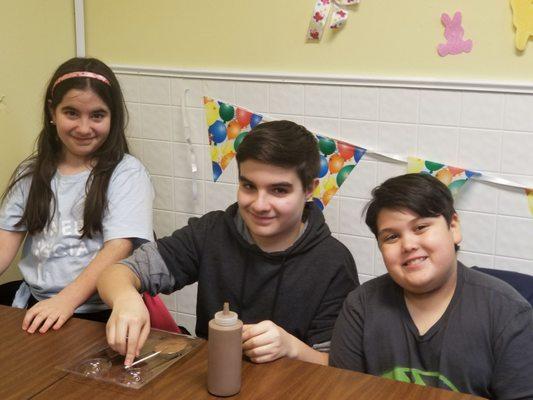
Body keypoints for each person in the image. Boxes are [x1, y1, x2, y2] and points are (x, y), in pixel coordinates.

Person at [97, 120, 358, 367]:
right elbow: (116, 273)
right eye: (248, 186)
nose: (259, 204)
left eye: (279, 190)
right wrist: (125, 299)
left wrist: (292, 348)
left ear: (310, 189)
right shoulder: (212, 231)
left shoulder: (333, 262)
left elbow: (339, 367)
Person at [329, 173, 533, 399]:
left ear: (453, 227)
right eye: (392, 237)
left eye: (420, 228)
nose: (408, 245)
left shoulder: (508, 312)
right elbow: (342, 392)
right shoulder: (361, 307)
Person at [0, 57, 154, 334]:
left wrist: (65, 301)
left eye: (97, 115)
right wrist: (52, 305)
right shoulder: (31, 173)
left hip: (101, 312)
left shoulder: (127, 173)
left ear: (113, 117)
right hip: (37, 306)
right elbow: (3, 246)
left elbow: (118, 249)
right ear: (52, 111)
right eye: (71, 113)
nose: (84, 128)